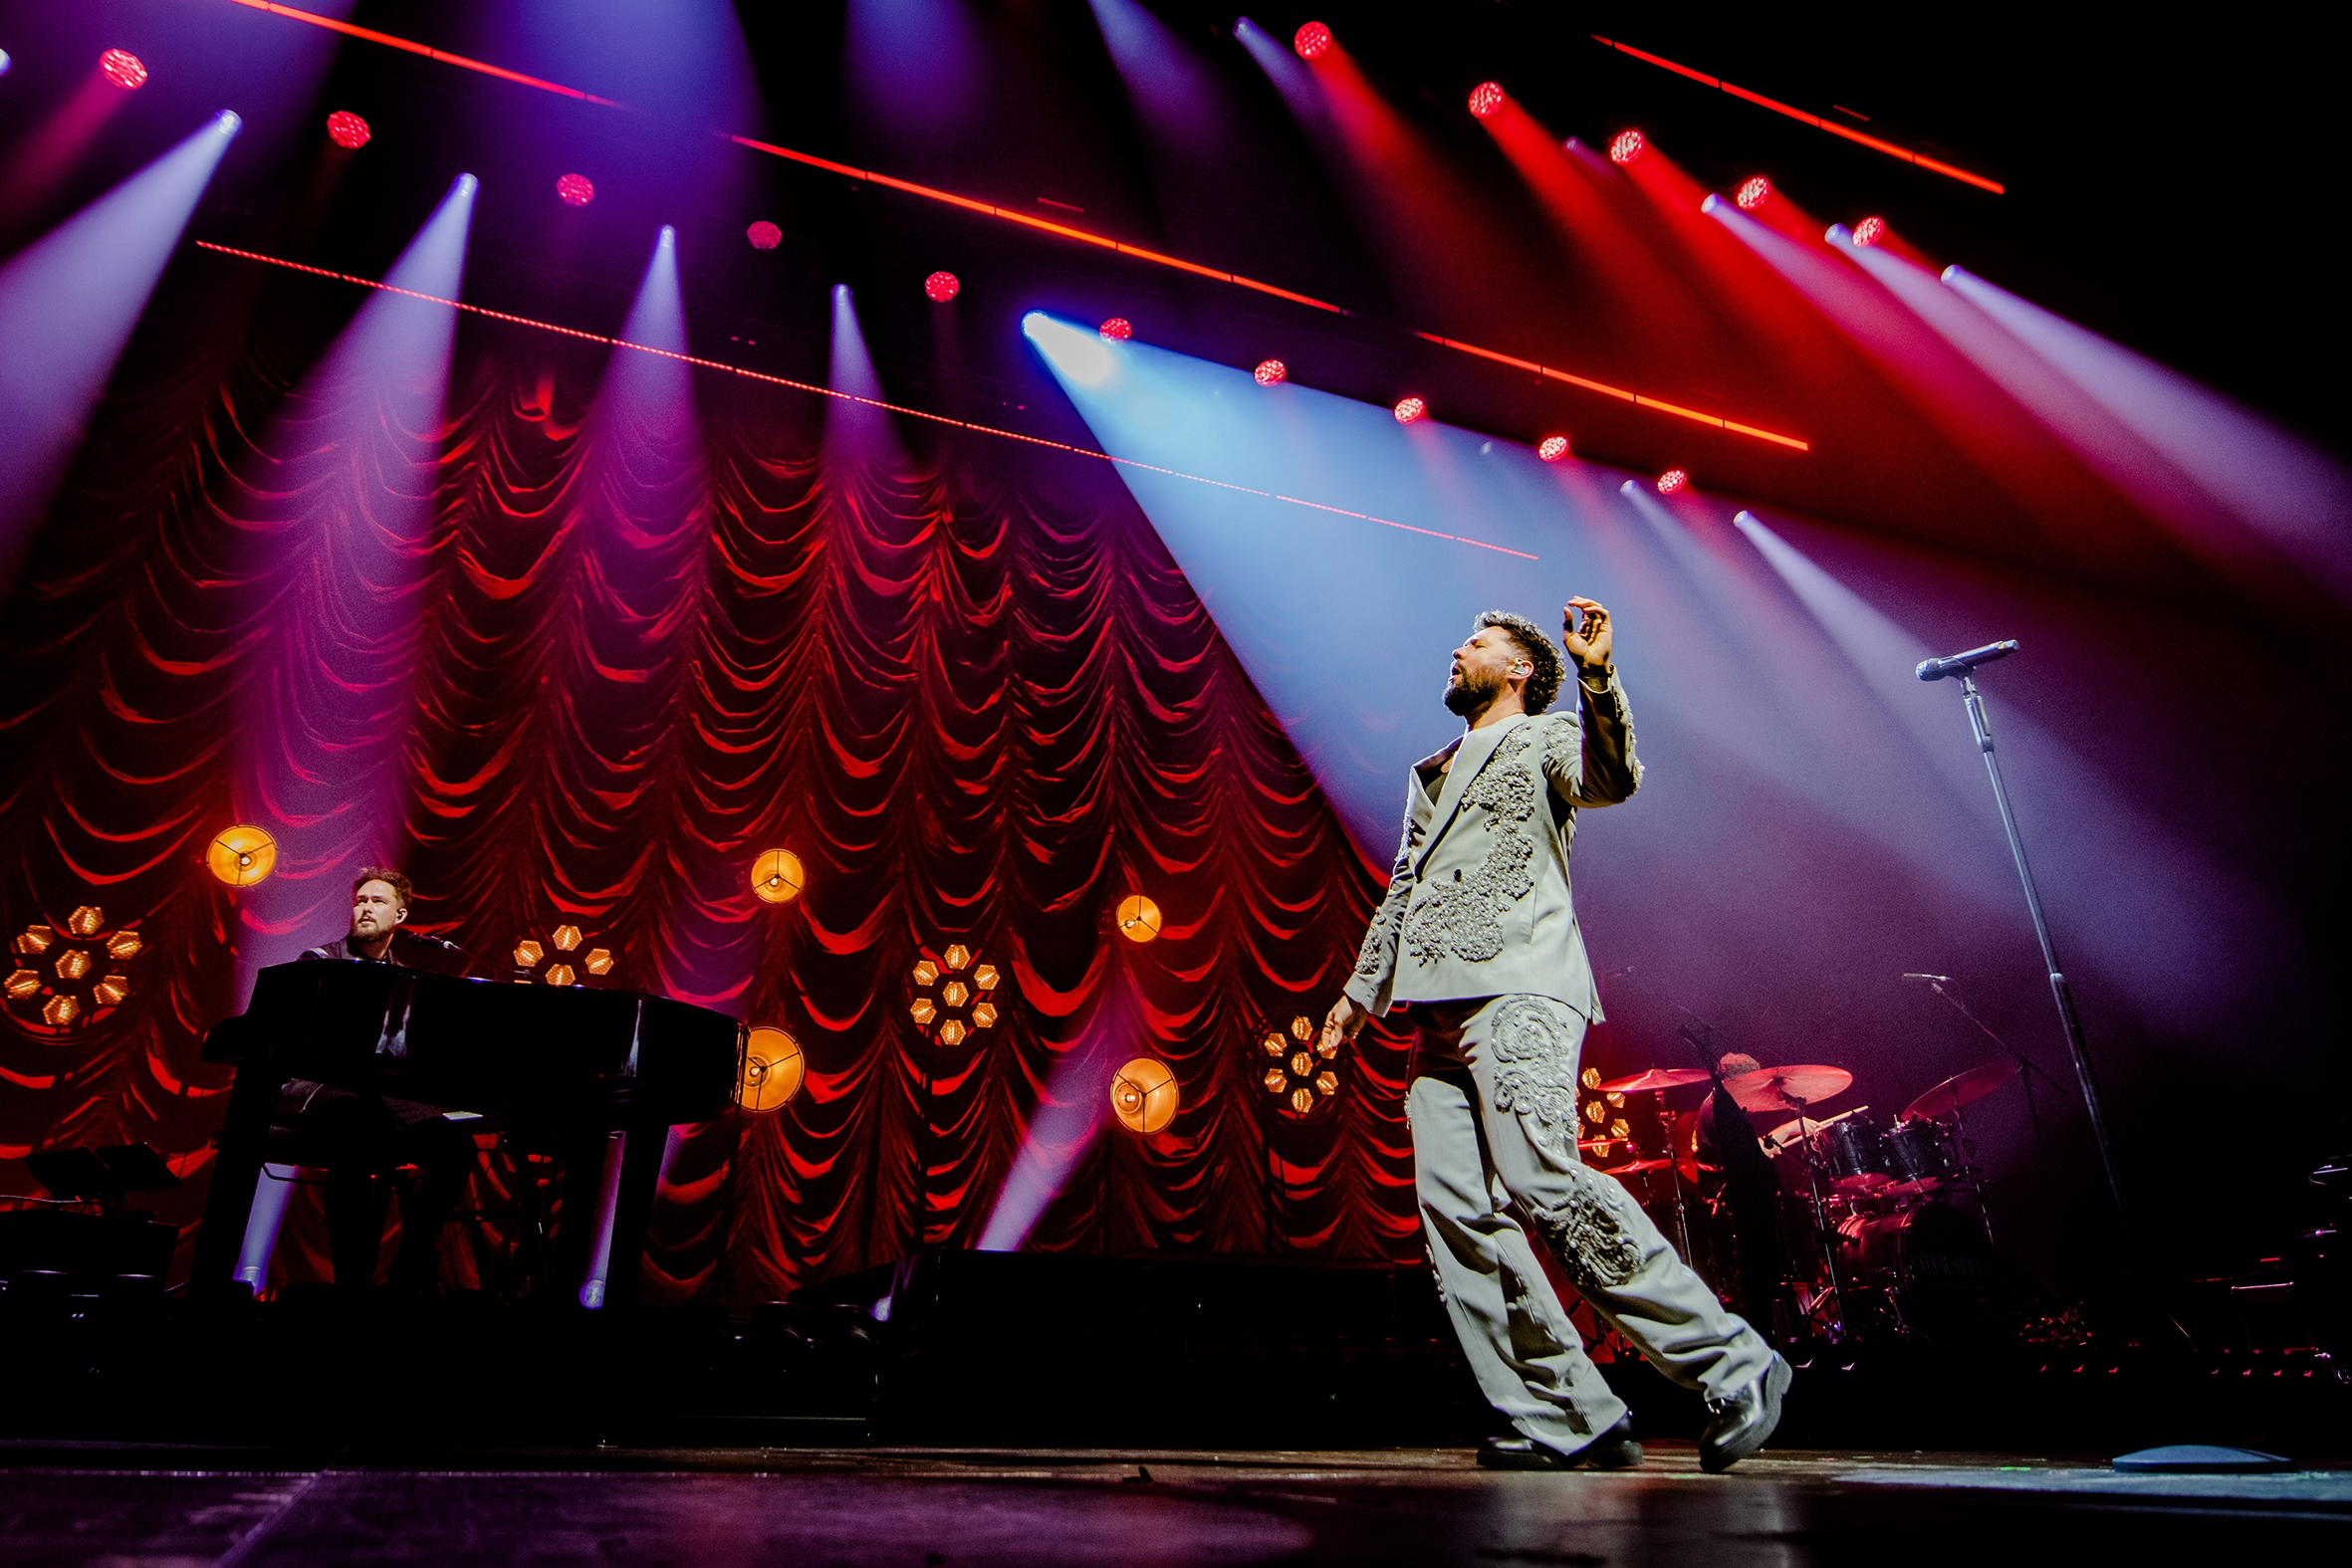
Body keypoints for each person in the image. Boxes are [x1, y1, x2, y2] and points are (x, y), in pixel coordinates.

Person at [1324, 602, 1789, 1471]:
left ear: (1519, 671)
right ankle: (1566, 1410)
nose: (1457, 647)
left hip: (1521, 985)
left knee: (1542, 1176)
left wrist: (1599, 677)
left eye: (1477, 643)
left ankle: (1735, 1363)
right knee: (1456, 1214)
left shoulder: (1548, 735)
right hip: (1435, 1009)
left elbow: (1611, 778)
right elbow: (1404, 886)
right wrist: (1358, 994)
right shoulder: (1431, 770)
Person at [275, 867, 479, 1293]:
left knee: (457, 1147)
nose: (365, 909)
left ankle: (406, 1269)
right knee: (360, 1128)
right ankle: (353, 1282)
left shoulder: (406, 980)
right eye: (360, 901)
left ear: (400, 916)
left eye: (377, 901)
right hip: (323, 1087)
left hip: (382, 1094)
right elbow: (298, 1036)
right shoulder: (320, 960)